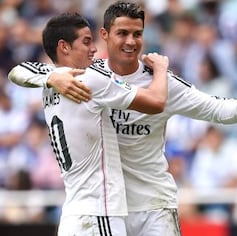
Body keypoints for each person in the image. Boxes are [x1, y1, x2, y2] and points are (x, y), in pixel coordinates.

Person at [8, 1, 237, 236]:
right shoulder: (88, 76)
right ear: (105, 35)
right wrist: (51, 76)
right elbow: (22, 69)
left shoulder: (161, 82)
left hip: (153, 205)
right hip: (108, 209)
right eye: (122, 33)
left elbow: (215, 109)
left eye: (137, 33)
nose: (131, 41)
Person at [8, 12, 169, 235]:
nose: (94, 49)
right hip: (99, 214)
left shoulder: (50, 82)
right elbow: (157, 102)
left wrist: (50, 77)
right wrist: (161, 69)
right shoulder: (91, 80)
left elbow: (17, 71)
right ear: (64, 47)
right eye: (86, 41)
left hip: (74, 215)